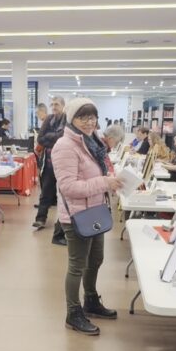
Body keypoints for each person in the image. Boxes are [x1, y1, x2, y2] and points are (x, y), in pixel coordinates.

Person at [53, 98, 123, 336]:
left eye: (93, 117)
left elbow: (96, 174)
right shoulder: (65, 146)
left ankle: (91, 301)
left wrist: (110, 183)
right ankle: (73, 313)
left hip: (95, 210)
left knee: (96, 260)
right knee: (77, 265)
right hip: (76, 215)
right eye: (83, 117)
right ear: (71, 119)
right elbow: (69, 187)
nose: (89, 122)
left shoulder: (92, 143)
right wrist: (104, 182)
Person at [34, 96, 68, 245]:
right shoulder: (48, 120)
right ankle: (40, 219)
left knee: (64, 194)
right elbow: (40, 139)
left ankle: (63, 224)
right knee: (46, 191)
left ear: (63, 106)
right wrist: (54, 137)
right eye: (52, 104)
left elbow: (64, 137)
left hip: (64, 163)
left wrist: (50, 137)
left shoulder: (67, 120)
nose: (54, 107)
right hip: (48, 163)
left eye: (57, 104)